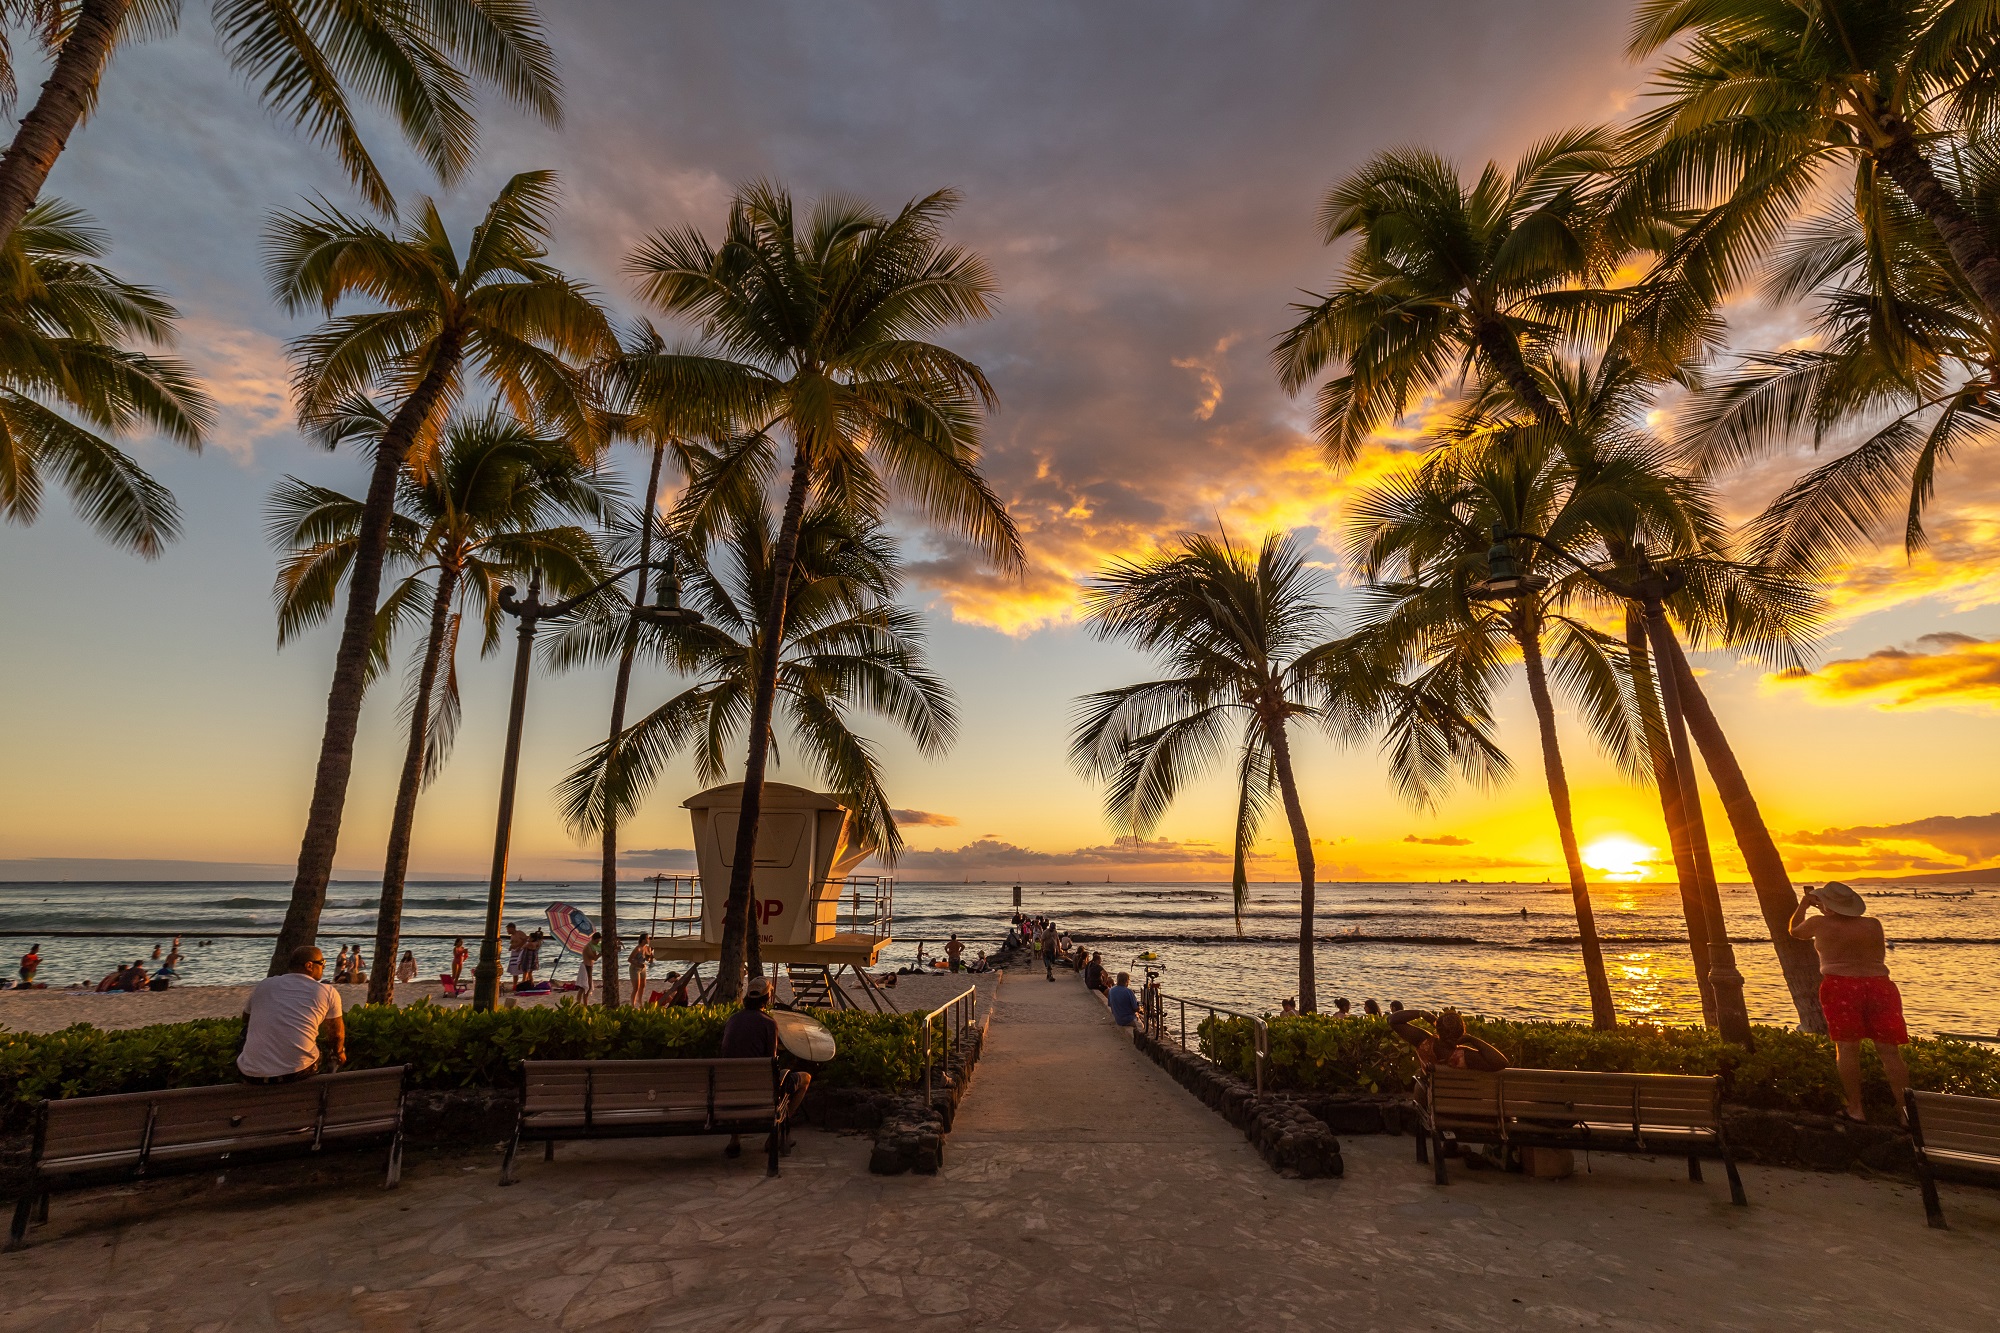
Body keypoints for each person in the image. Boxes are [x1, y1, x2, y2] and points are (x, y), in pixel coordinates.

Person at [1790, 881, 1911, 1123]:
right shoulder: (1873, 925)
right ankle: (1906, 1114)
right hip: (1879, 985)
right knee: (1890, 1052)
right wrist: (1828, 908)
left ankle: (1856, 1109)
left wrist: (1804, 904)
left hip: (1841, 985)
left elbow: (1794, 931)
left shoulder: (1818, 923)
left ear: (1829, 906)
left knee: (1847, 1048)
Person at [717, 975, 811, 1159]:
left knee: (739, 1076)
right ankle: (773, 1137)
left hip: (729, 1090)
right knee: (805, 1078)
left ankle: (734, 1139)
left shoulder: (733, 1020)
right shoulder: (769, 1023)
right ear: (767, 998)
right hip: (760, 1091)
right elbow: (771, 1062)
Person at [237, 945, 344, 1084]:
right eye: (322, 963)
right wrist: (340, 1053)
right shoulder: (327, 991)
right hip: (297, 1072)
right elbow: (336, 1035)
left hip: (250, 1074)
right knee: (321, 1053)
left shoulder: (265, 984)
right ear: (309, 965)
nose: (324, 967)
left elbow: (246, 1018)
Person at [1388, 1006, 1508, 1072]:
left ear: (1437, 1028)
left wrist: (1422, 1013)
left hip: (1435, 1102)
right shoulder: (1466, 1056)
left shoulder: (1424, 1043)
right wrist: (1472, 1039)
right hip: (1465, 1106)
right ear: (1462, 1032)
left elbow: (1393, 1020)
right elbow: (1502, 1063)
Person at [629, 933, 653, 1002]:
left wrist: (650, 956)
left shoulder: (647, 948)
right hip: (635, 968)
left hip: (643, 968)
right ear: (643, 940)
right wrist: (638, 964)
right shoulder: (638, 948)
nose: (649, 940)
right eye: (647, 938)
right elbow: (630, 959)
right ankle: (632, 1004)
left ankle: (640, 1002)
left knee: (642, 986)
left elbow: (649, 961)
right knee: (636, 987)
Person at [579, 931, 601, 1004]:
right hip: (585, 966)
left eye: (599, 941)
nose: (598, 943)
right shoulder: (588, 947)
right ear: (593, 939)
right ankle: (582, 1004)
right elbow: (594, 958)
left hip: (590, 966)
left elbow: (595, 953)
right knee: (585, 986)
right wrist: (601, 953)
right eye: (597, 941)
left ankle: (583, 1003)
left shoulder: (593, 946)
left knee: (586, 987)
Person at [505, 923, 527, 990]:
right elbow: (513, 943)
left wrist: (519, 947)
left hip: (520, 952)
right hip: (514, 953)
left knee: (522, 968)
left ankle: (524, 982)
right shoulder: (512, 936)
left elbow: (526, 940)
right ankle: (515, 984)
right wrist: (511, 947)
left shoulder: (519, 933)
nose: (507, 931)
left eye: (508, 929)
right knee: (514, 969)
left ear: (512, 928)